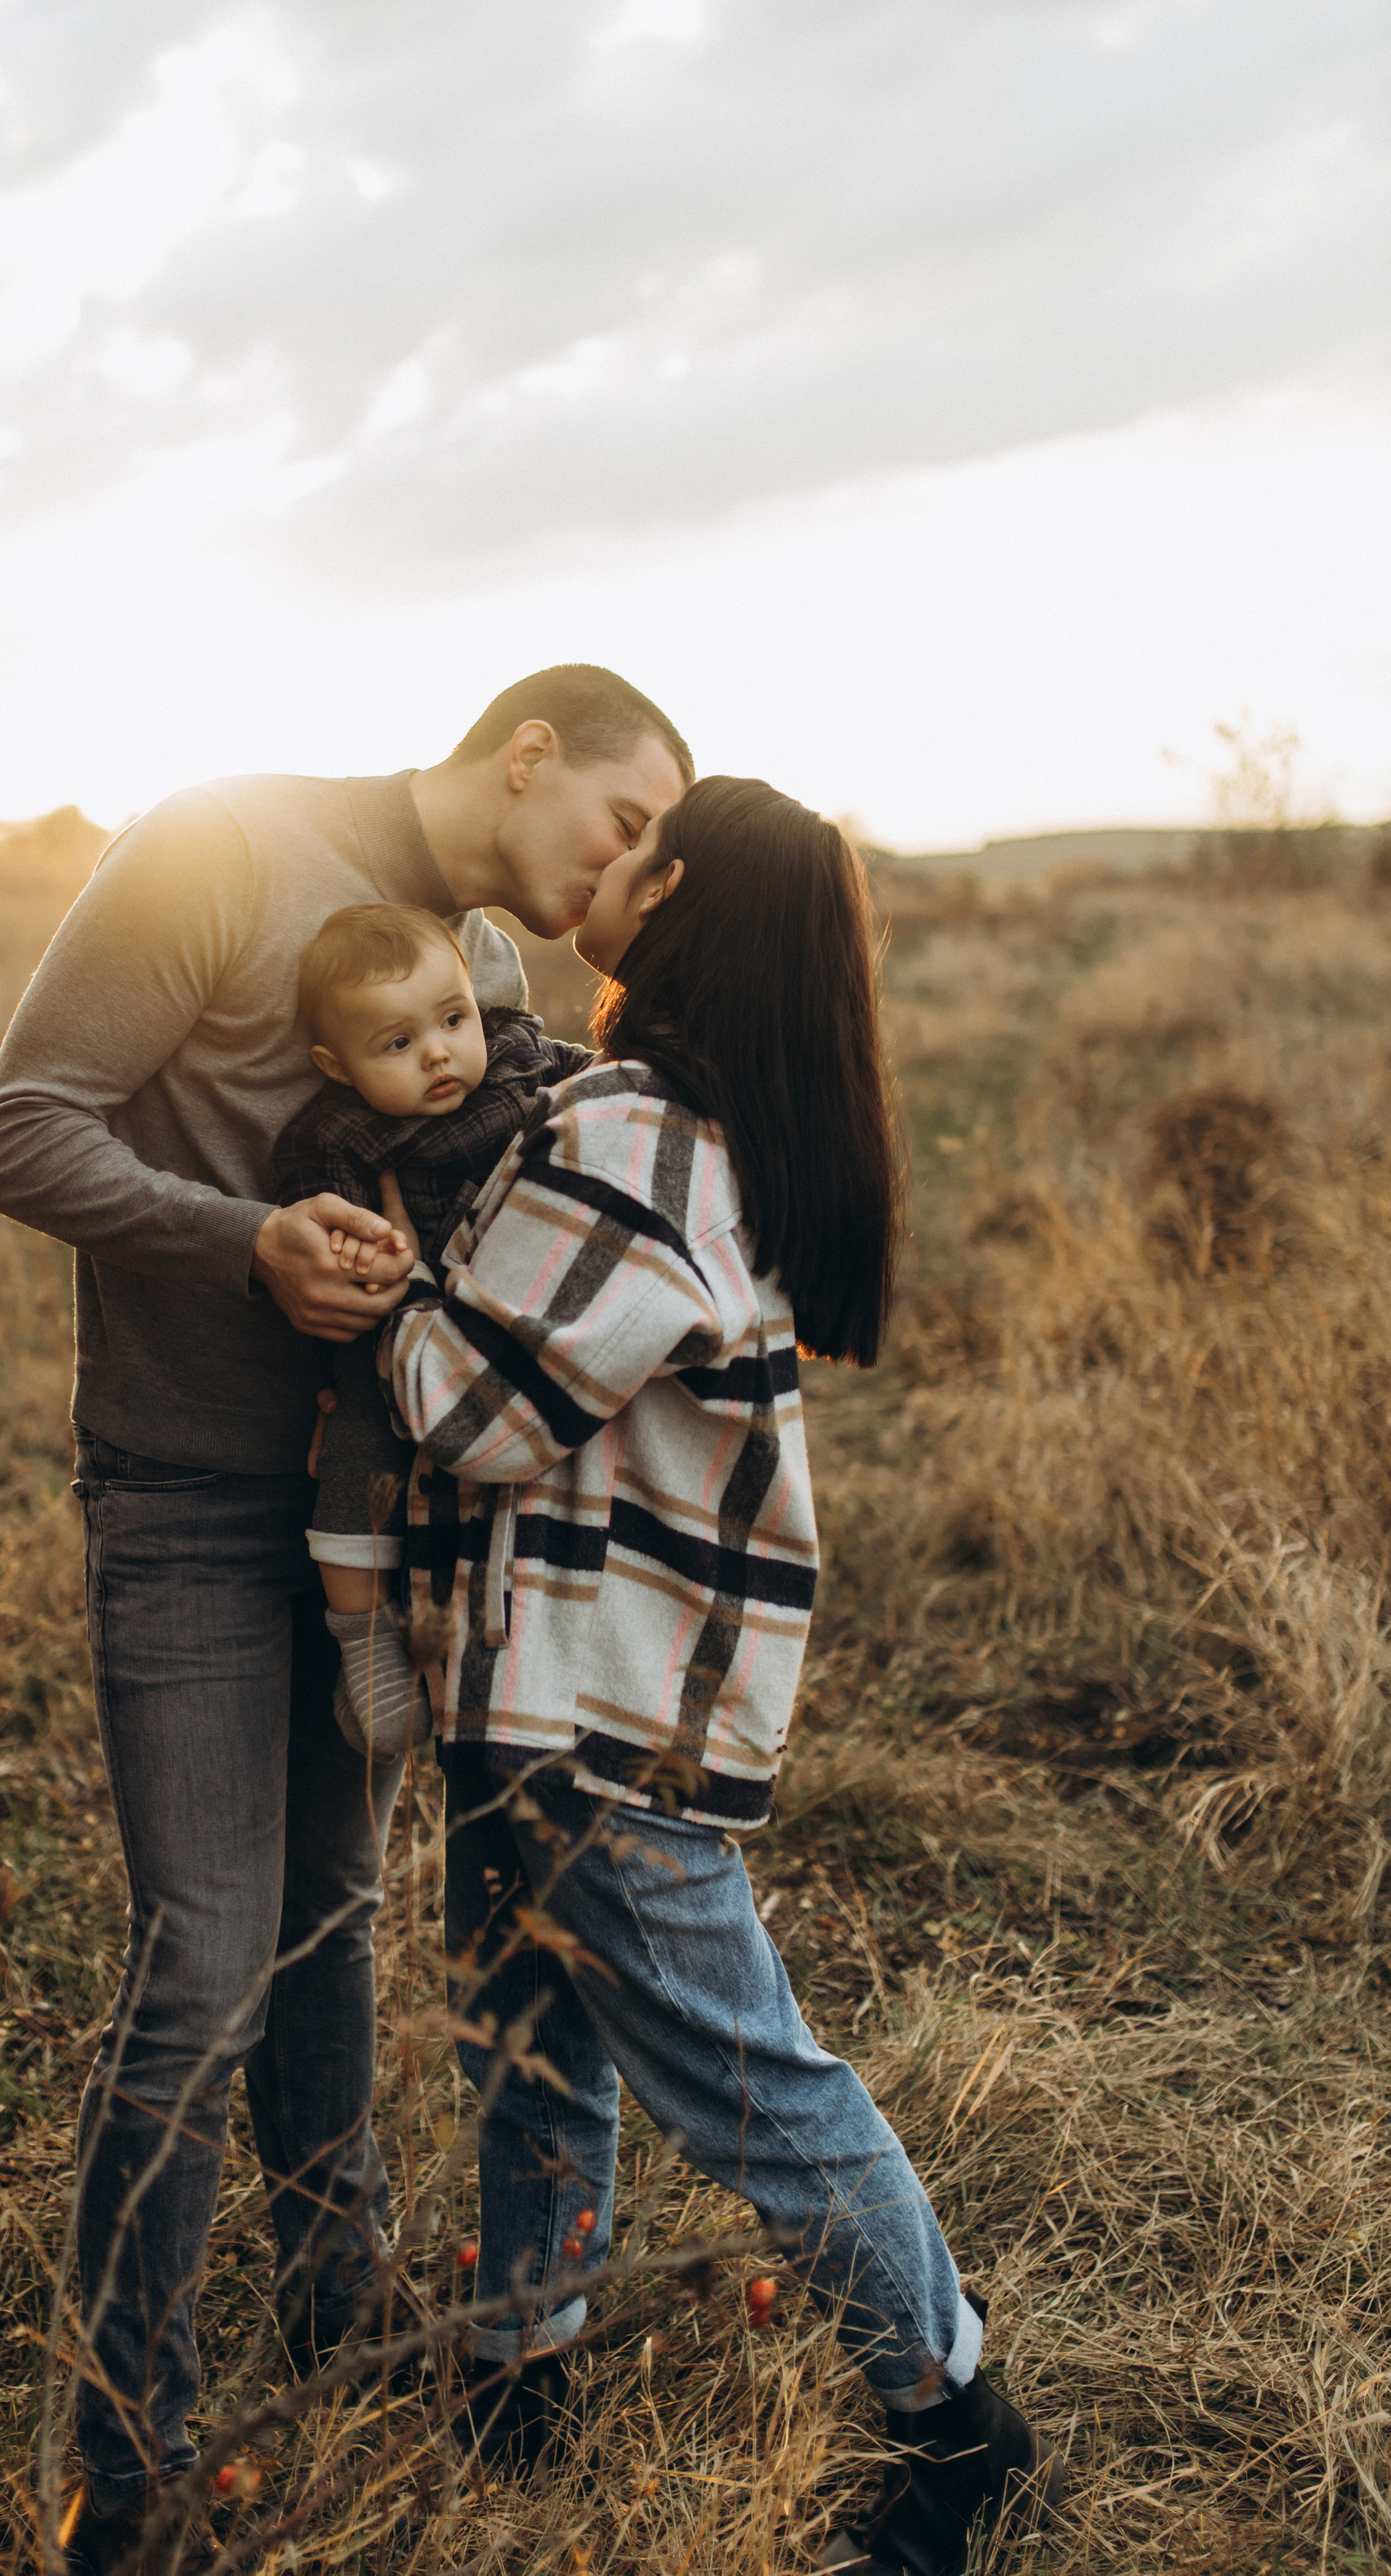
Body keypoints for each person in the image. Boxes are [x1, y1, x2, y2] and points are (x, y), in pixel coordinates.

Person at [0, 663, 690, 2575]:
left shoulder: (481, 986)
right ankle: (120, 2472)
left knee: (337, 1919)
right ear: (529, 753)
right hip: (192, 1498)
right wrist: (245, 1241)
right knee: (205, 1953)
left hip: (379, 1521)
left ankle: (343, 2297)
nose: (617, 871)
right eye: (618, 825)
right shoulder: (213, 845)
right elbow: (16, 1131)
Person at [381, 778, 1065, 2574]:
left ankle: (955, 2422)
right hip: (559, 1683)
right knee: (533, 2033)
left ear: (674, 896)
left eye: (632, 848)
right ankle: (529, 2361)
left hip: (599, 1706)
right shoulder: (681, 1125)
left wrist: (373, 1280)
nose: (597, 867)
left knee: (750, 2077)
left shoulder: (634, 1142)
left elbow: (463, 1409)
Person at [271, 900, 592, 1755]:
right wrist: (367, 1259)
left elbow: (612, 1088)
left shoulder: (523, 1063)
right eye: (397, 1044)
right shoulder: (336, 1137)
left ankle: (502, 1637)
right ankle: (367, 1640)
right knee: (354, 1456)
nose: (439, 1053)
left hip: (511, 1326)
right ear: (334, 1067)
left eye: (451, 1020)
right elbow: (323, 1246)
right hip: (389, 1339)